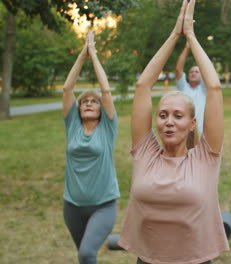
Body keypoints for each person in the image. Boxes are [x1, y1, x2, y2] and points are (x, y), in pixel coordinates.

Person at [118, 1, 228, 263]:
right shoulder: (145, 153)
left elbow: (214, 89)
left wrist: (190, 36)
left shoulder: (204, 157)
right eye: (163, 115)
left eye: (178, 116)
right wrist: (173, 35)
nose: (168, 121)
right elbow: (143, 86)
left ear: (192, 123)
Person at [62, 30, 120, 264]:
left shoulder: (107, 127)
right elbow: (68, 89)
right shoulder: (73, 125)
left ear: (100, 109)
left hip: (103, 205)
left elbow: (106, 91)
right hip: (72, 206)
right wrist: (81, 56)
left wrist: (94, 56)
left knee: (86, 253)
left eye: (93, 102)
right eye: (84, 101)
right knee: (85, 256)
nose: (88, 103)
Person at [175, 41, 206, 133]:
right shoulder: (183, 87)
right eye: (191, 72)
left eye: (197, 72)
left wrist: (196, 48)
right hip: (184, 130)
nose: (193, 73)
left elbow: (205, 68)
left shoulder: (204, 89)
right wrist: (187, 48)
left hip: (200, 131)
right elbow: (178, 70)